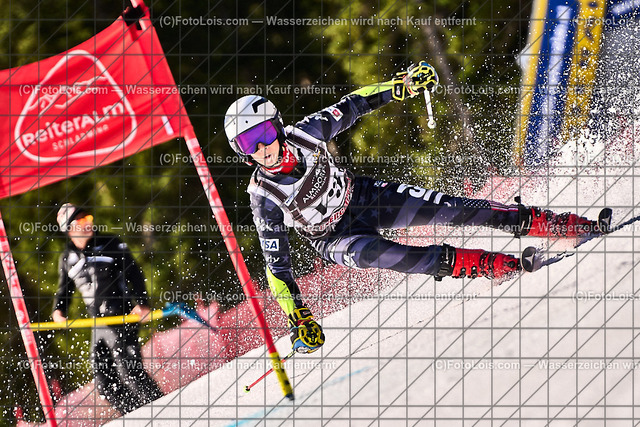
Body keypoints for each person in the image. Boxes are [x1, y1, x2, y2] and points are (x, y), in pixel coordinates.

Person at [223, 61, 604, 354]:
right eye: (247, 144)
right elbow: (277, 268)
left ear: (277, 126)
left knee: (450, 209)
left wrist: (401, 86)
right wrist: (299, 317)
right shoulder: (263, 195)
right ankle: (486, 264)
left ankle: (548, 223)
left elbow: (353, 105)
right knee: (384, 254)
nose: (262, 149)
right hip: (335, 239)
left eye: (264, 134)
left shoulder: (306, 133)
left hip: (364, 198)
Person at [52, 204, 163, 415]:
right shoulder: (67, 257)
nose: (88, 223)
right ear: (69, 229)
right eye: (81, 221)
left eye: (88, 218)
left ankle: (162, 409)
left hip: (122, 316)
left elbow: (134, 273)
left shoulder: (111, 243)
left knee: (129, 370)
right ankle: (137, 415)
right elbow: (64, 290)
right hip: (99, 324)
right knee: (104, 383)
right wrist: (59, 311)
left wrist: (142, 303)